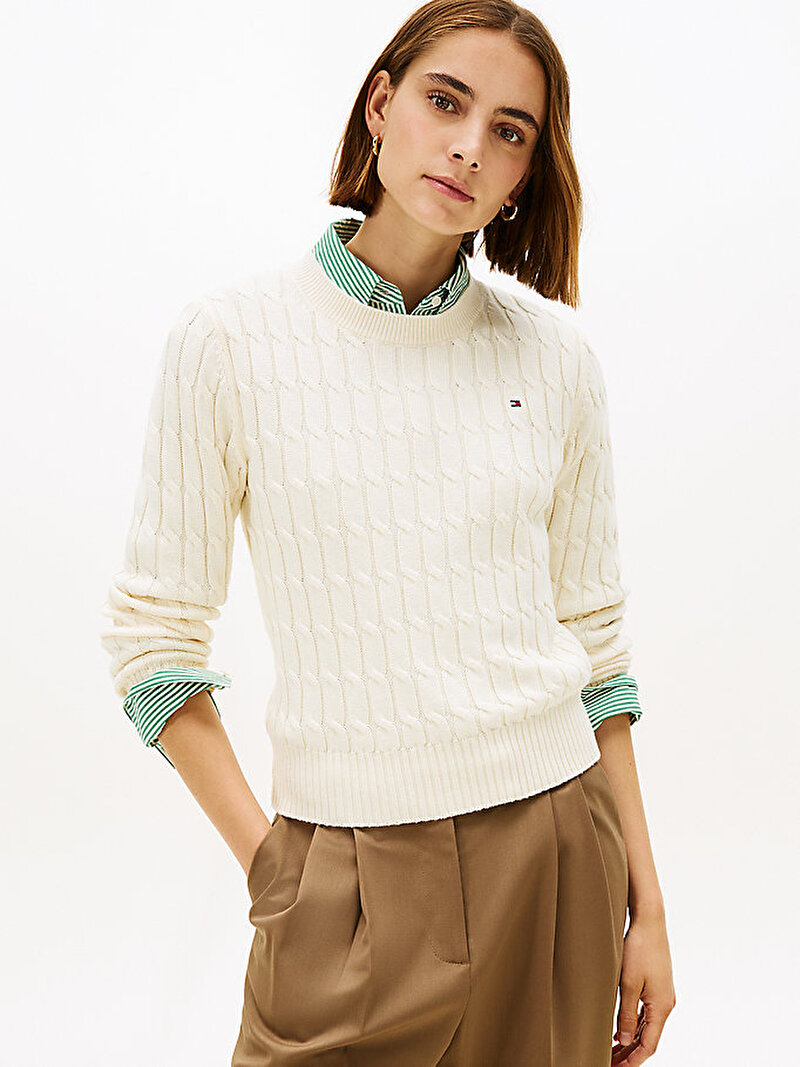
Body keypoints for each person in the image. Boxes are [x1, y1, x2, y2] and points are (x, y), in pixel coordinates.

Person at [99, 1, 676, 1063]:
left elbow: (596, 648)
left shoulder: (555, 360)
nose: (468, 146)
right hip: (341, 876)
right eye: (444, 101)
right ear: (380, 104)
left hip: (556, 853)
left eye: (508, 130)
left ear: (524, 173)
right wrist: (277, 870)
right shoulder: (230, 341)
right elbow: (153, 641)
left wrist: (649, 907)